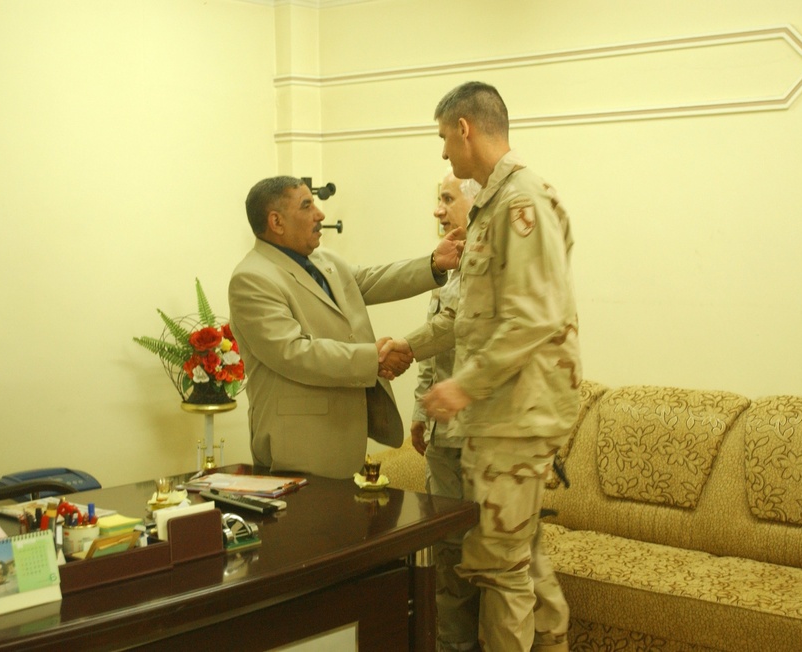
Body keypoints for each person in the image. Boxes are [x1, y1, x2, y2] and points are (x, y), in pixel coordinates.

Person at [380, 82, 580, 652]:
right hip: (502, 411)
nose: (445, 153)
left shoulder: (522, 202)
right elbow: (469, 315)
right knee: (513, 557)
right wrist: (411, 349)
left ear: (464, 128)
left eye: (445, 138)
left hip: (517, 411)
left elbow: (533, 317)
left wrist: (462, 386)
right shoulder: (496, 202)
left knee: (501, 568)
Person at [229, 175, 464, 479]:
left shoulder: (322, 260)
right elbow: (293, 352)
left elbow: (372, 280)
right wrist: (374, 359)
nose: (320, 214)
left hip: (342, 437)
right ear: (276, 221)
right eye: (307, 206)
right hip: (298, 445)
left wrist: (433, 263)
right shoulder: (252, 278)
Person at [411, 170, 481, 652]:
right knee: (447, 562)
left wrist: (399, 348)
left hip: (478, 439)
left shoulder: (491, 260)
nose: (438, 210)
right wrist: (419, 409)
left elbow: (452, 328)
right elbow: (437, 342)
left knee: (483, 560)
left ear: (476, 202)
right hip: (441, 439)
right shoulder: (449, 262)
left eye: (446, 199)